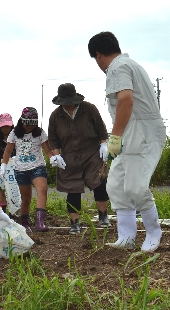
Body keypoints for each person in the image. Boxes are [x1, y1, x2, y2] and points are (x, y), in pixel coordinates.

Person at [88, 31, 166, 252]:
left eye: (96, 60)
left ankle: (153, 231)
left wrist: (114, 138)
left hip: (141, 132)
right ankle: (126, 236)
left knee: (135, 187)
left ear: (98, 55)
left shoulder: (117, 67)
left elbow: (126, 101)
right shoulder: (129, 65)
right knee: (116, 185)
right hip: (131, 131)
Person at [48, 83, 110, 234]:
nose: (68, 104)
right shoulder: (56, 116)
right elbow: (53, 139)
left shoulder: (89, 109)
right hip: (69, 156)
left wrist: (104, 145)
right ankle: (75, 222)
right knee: (72, 188)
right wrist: (56, 155)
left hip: (92, 153)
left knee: (99, 182)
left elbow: (101, 129)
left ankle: (103, 216)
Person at [0, 107, 54, 233]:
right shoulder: (14, 134)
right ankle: (25, 223)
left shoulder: (40, 133)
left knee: (42, 190)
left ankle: (40, 222)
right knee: (26, 198)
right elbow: (7, 151)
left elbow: (47, 150)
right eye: (27, 124)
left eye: (33, 124)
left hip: (37, 166)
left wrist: (53, 158)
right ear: (22, 121)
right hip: (20, 169)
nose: (29, 127)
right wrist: (3, 165)